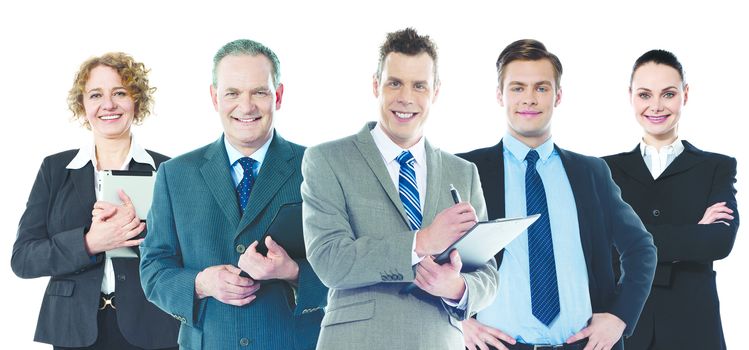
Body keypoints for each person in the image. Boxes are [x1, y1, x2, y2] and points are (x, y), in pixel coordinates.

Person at [301, 28, 498, 350]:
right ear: (375, 85)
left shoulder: (463, 172)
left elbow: (487, 274)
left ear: (435, 91)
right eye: (395, 83)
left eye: (419, 85)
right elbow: (329, 261)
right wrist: (422, 242)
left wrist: (457, 287)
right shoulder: (328, 159)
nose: (406, 97)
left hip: (438, 339)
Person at [457, 39, 656, 350]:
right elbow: (427, 258)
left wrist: (620, 317)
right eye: (517, 88)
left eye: (541, 88)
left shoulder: (591, 173)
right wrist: (458, 321)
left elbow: (641, 248)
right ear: (500, 95)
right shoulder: (466, 169)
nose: (529, 99)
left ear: (558, 95)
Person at [139, 39, 328, 350]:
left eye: (259, 92)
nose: (246, 106)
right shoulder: (175, 175)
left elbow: (346, 269)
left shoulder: (318, 168)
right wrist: (200, 284)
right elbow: (153, 269)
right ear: (215, 97)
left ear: (277, 96)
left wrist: (292, 272)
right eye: (233, 93)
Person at [11, 52, 179, 349]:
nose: (108, 104)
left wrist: (137, 232)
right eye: (95, 94)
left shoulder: (168, 170)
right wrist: (89, 243)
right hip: (72, 329)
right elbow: (24, 258)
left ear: (136, 100)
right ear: (82, 104)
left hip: (151, 326)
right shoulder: (55, 170)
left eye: (119, 92)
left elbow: (189, 254)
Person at [602, 50, 738, 350]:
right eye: (644, 94)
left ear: (685, 95)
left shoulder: (716, 166)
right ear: (631, 97)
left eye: (668, 94)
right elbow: (597, 248)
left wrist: (631, 243)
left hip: (693, 329)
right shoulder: (604, 170)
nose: (656, 106)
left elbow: (718, 242)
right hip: (622, 330)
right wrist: (693, 233)